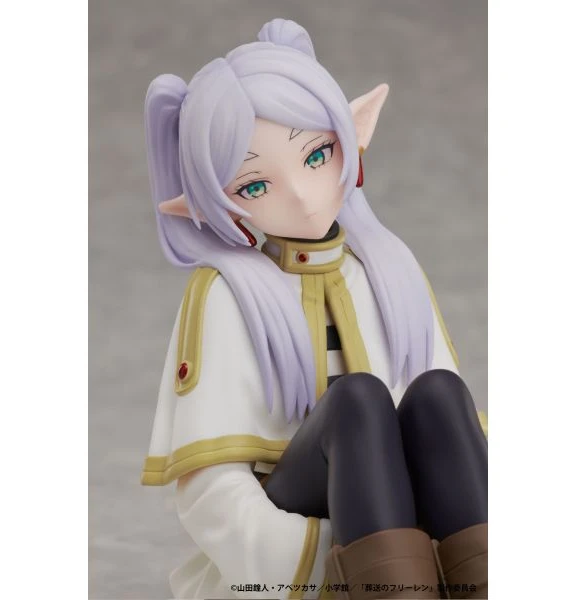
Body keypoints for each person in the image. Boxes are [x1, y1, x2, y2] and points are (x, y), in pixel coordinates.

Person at [141, 18, 488, 600]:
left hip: (409, 531)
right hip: (300, 540)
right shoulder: (224, 295)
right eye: (254, 186)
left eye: (317, 154)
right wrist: (320, 559)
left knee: (439, 394)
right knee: (357, 401)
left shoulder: (390, 270)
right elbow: (212, 492)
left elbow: (455, 442)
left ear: (352, 138)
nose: (302, 195)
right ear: (208, 203)